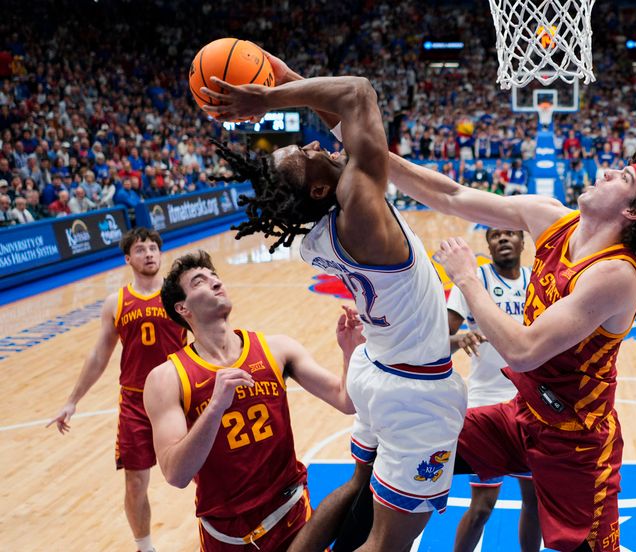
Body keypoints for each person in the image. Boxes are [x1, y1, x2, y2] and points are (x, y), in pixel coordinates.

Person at [200, 55, 467, 552]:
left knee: (355, 488)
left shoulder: (326, 229)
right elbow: (358, 92)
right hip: (415, 392)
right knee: (388, 543)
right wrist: (269, 98)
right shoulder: (362, 209)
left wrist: (274, 72)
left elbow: (345, 122)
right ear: (321, 187)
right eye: (304, 153)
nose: (310, 142)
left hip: (375, 370)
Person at [386, 150, 636, 552]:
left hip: (577, 444)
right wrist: (359, 141)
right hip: (522, 415)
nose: (605, 171)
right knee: (414, 441)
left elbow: (524, 351)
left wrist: (467, 278)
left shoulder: (615, 274)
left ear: (634, 211)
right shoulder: (551, 216)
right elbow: (450, 195)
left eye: (622, 177)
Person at [144, 250, 360, 552]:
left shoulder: (276, 348)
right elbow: (176, 475)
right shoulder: (166, 378)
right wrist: (215, 407)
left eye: (215, 276)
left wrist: (349, 352)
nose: (215, 282)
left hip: (292, 517)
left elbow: (345, 400)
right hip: (226, 534)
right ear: (183, 308)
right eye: (199, 282)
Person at [48, 228, 187, 552]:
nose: (149, 253)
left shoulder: (177, 296)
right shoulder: (117, 302)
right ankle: (145, 547)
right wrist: (72, 401)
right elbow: (99, 354)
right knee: (135, 481)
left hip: (180, 393)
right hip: (135, 401)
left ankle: (220, 532)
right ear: (128, 259)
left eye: (154, 248)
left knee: (203, 470)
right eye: (141, 249)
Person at [447, 228, 540, 552]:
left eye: (510, 233)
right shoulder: (473, 282)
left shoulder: (536, 282)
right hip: (485, 403)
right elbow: (436, 342)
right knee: (483, 506)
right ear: (487, 243)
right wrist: (458, 340)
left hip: (529, 404)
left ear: (522, 241)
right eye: (495, 234)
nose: (502, 239)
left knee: (535, 501)